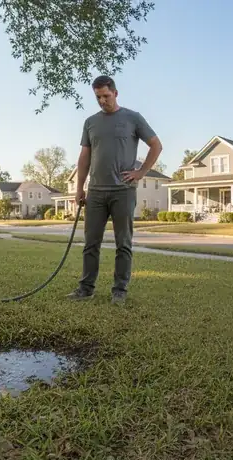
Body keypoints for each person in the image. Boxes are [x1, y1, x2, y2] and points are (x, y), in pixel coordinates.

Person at [67, 76, 162, 305]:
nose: (102, 101)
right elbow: (84, 157)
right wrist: (79, 188)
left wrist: (140, 173)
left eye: (106, 96)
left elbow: (156, 145)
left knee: (123, 243)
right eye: (98, 97)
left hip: (123, 191)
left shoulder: (132, 118)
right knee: (91, 243)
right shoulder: (90, 122)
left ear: (116, 93)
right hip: (96, 192)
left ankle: (119, 290)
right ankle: (86, 289)